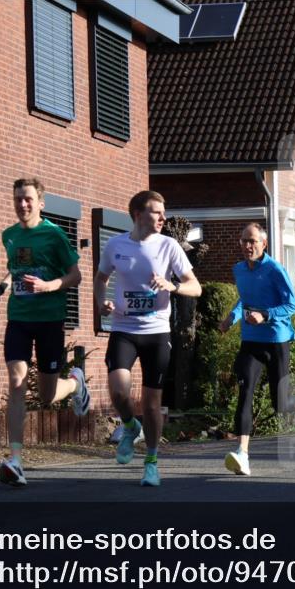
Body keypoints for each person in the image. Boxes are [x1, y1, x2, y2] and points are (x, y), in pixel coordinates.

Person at [0, 178, 90, 487]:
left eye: (28, 199)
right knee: (16, 382)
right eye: (18, 199)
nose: (22, 204)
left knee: (46, 395)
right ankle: (16, 459)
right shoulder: (10, 235)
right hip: (19, 318)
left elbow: (75, 276)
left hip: (49, 320)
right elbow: (14, 268)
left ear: (40, 203)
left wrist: (47, 286)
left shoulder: (54, 235)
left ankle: (75, 383)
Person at [95, 190, 202, 487]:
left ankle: (151, 463)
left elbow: (195, 287)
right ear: (138, 214)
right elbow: (101, 278)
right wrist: (102, 302)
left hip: (156, 331)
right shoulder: (115, 245)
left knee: (152, 404)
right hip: (123, 328)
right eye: (157, 212)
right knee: (119, 392)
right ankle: (131, 426)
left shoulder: (169, 246)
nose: (163, 218)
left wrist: (172, 285)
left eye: (164, 212)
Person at [218, 223, 295, 476]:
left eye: (252, 241)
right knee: (245, 391)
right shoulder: (239, 269)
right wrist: (232, 318)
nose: (247, 246)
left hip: (276, 341)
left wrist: (265, 315)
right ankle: (242, 453)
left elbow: (292, 304)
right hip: (251, 341)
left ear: (264, 244)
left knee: (279, 403)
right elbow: (244, 299)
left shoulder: (275, 270)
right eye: (244, 241)